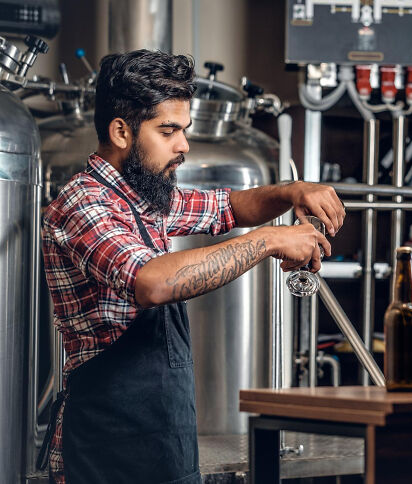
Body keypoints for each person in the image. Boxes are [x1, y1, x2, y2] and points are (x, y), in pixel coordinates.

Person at [38, 49, 345, 484]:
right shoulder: (83, 203)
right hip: (103, 453)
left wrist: (290, 192)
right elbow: (152, 282)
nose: (183, 145)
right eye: (168, 131)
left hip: (165, 448)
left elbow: (227, 206)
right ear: (121, 131)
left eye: (184, 130)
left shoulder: (146, 198)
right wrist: (271, 239)